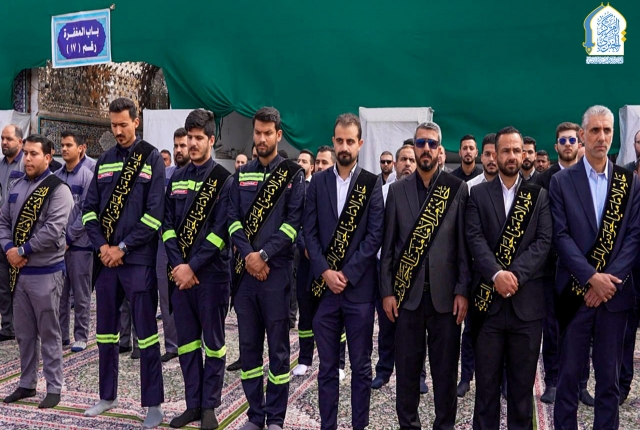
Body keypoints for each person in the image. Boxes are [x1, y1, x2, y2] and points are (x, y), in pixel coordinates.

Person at [550, 106, 640, 430]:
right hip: (574, 296)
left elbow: (633, 236)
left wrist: (607, 283)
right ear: (582, 135)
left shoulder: (629, 183)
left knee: (608, 385)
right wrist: (590, 278)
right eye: (595, 130)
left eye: (607, 131)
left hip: (614, 299)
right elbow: (560, 236)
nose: (602, 137)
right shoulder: (561, 181)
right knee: (568, 381)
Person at [82, 97, 165, 428]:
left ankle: (153, 404)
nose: (118, 131)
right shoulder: (104, 161)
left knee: (146, 335)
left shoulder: (151, 158)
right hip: (106, 262)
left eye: (123, 125)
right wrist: (103, 247)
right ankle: (107, 395)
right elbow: (89, 210)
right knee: (105, 333)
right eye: (113, 125)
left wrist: (124, 248)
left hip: (138, 261)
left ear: (136, 122)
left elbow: (155, 214)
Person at [381, 122, 469, 430]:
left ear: (440, 150)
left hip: (446, 299)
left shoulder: (456, 189)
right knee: (406, 374)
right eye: (421, 143)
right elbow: (388, 248)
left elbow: (463, 246)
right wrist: (387, 292)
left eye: (432, 143)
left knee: (445, 375)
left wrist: (463, 289)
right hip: (407, 298)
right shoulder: (397, 191)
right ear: (414, 148)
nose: (426, 149)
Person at [467, 126, 551, 430]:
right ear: (495, 155)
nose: (513, 155)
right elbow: (474, 238)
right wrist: (496, 274)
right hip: (487, 308)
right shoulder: (477, 194)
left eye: (518, 150)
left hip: (526, 307)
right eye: (506, 150)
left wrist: (512, 275)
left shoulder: (538, 196)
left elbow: (543, 242)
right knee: (486, 391)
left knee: (521, 393)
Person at [305, 113, 384, 430]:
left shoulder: (371, 183)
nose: (344, 146)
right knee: (327, 368)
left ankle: (358, 426)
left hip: (359, 292)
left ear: (360, 143)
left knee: (361, 368)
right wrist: (326, 272)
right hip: (325, 292)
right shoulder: (318, 182)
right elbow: (309, 233)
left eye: (350, 141)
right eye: (339, 140)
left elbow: (374, 236)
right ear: (333, 141)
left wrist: (346, 274)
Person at [228, 107, 305, 430]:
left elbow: (292, 224)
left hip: (276, 274)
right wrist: (250, 257)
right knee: (248, 349)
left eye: (267, 133)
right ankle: (254, 415)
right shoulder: (241, 174)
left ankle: (275, 417)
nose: (261, 139)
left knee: (278, 350)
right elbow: (232, 220)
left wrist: (264, 255)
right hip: (246, 276)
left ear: (278, 135)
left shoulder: (293, 174)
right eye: (257, 133)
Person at [163, 109, 232, 429]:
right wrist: (179, 265)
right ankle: (192, 404)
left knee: (214, 344)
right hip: (180, 277)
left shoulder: (224, 180)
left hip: (212, 276)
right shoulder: (176, 177)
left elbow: (220, 233)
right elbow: (166, 225)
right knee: (187, 344)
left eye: (198, 138)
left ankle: (209, 407)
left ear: (211, 140)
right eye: (189, 137)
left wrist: (191, 266)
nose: (192, 143)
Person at [0, 134, 73, 408]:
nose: (28, 159)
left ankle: (54, 387)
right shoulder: (17, 186)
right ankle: (27, 383)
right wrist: (9, 247)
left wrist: (22, 250)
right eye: (26, 153)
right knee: (24, 333)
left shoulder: (59, 190)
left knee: (50, 332)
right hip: (19, 275)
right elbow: (3, 221)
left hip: (46, 273)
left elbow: (53, 231)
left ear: (47, 157)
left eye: (34, 154)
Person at [534, 122, 593, 406]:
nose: (568, 144)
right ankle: (553, 381)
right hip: (552, 267)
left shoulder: (589, 176)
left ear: (579, 143)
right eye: (563, 140)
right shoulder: (543, 180)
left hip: (584, 266)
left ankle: (581, 384)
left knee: (583, 326)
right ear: (556, 145)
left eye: (572, 140)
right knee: (553, 327)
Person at [374, 143, 430, 394]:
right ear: (395, 164)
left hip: (415, 270)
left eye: (411, 159)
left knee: (416, 328)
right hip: (386, 267)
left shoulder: (425, 192)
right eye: (403, 159)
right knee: (386, 324)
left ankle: (419, 375)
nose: (408, 163)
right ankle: (384, 370)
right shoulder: (382, 192)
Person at [292, 146, 348, 381]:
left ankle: (339, 362)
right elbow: (298, 225)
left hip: (332, 266)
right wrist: (306, 247)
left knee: (336, 317)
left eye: (326, 162)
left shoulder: (342, 191)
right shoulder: (305, 190)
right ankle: (304, 359)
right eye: (319, 163)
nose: (321, 166)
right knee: (306, 315)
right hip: (308, 265)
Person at [457, 132, 497, 398]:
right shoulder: (470, 188)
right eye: (488, 154)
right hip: (476, 272)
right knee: (471, 329)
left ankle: (502, 380)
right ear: (481, 157)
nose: (492, 159)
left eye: (496, 154)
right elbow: (465, 234)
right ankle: (466, 377)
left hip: (504, 273)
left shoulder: (516, 190)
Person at [55, 130, 94, 353]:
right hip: (58, 246)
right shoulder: (56, 177)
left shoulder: (87, 177)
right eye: (62, 145)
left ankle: (81, 335)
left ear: (80, 148)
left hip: (80, 245)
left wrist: (69, 236)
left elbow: (87, 211)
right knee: (60, 294)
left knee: (80, 294)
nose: (64, 149)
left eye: (69, 145)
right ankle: (61, 335)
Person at [156, 127, 191, 363]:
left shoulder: (200, 175)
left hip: (190, 243)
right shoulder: (165, 175)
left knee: (192, 293)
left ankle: (193, 341)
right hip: (164, 243)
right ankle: (172, 344)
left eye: (183, 146)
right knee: (166, 293)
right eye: (175, 146)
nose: (179, 150)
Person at [0, 124, 25, 342]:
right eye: (2, 139)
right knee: (2, 283)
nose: (4, 143)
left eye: (8, 139)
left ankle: (23, 325)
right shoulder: (0, 166)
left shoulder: (27, 164)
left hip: (21, 232)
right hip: (2, 232)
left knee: (21, 283)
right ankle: (7, 327)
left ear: (20, 141)